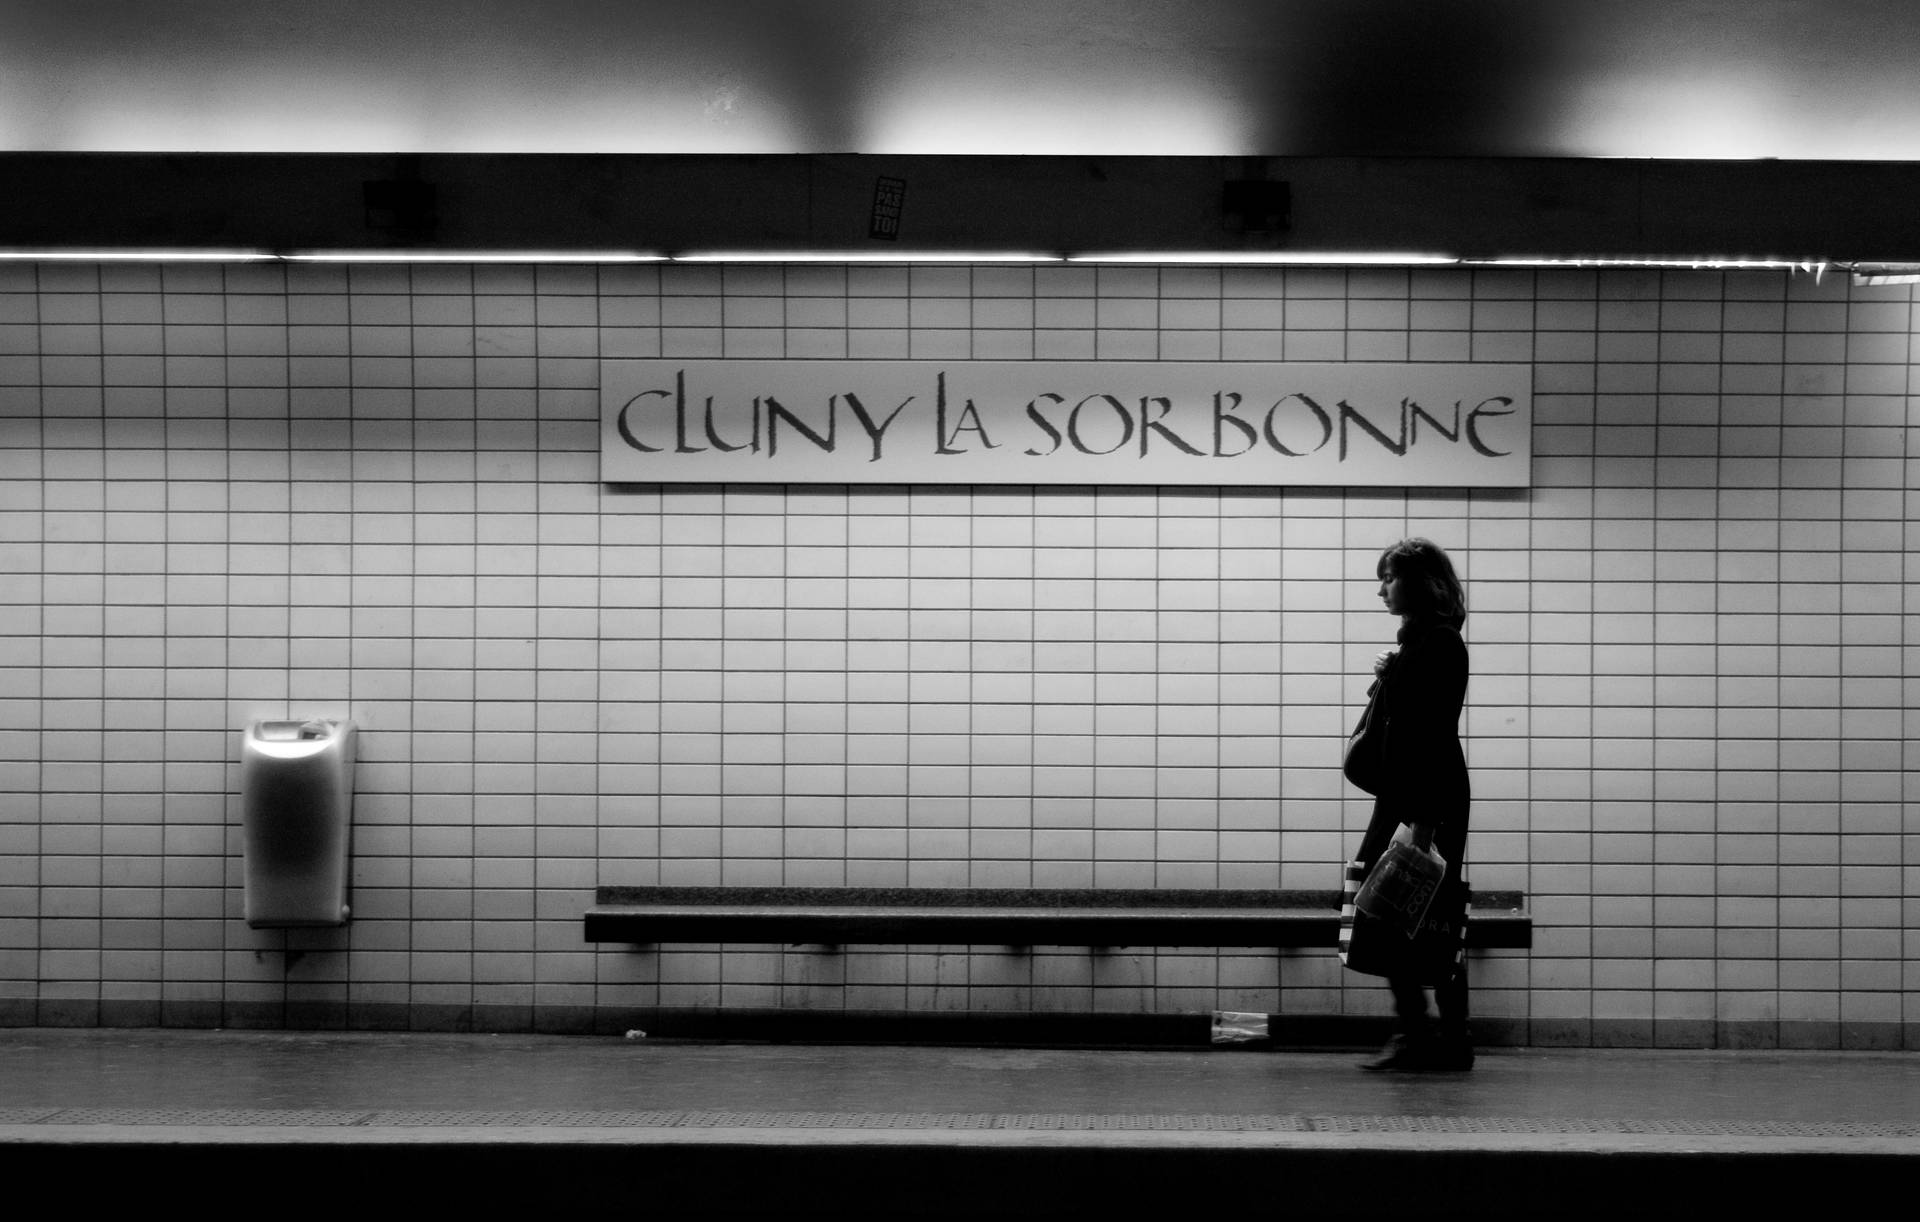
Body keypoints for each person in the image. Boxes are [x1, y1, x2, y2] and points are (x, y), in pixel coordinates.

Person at [1354, 537, 1473, 1072]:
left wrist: (1424, 820)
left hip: (1425, 800)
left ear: (1419, 582)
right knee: (1401, 907)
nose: (1381, 590)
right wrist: (1389, 672)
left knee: (1421, 912)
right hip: (1408, 795)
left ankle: (1434, 1036)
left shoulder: (1441, 644)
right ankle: (1433, 1035)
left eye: (1389, 578)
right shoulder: (1420, 642)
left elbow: (1432, 734)